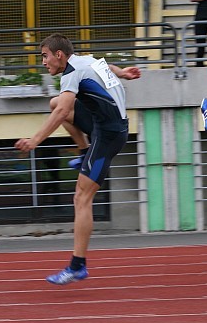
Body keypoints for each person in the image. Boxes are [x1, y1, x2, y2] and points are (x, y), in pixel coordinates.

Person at [15, 33, 132, 285]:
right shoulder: (84, 60)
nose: (43, 62)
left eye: (45, 56)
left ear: (59, 55)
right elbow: (106, 67)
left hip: (109, 135)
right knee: (54, 100)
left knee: (81, 197)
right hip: (104, 123)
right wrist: (122, 73)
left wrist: (34, 140)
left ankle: (77, 265)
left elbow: (63, 112)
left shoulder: (71, 73)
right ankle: (83, 153)